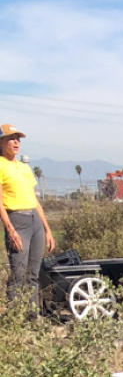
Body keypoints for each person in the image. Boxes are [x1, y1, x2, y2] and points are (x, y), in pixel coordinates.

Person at [0, 124, 55, 311]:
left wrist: (47, 230)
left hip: (35, 221)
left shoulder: (24, 168)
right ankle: (15, 318)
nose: (16, 142)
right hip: (16, 219)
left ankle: (33, 316)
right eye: (11, 138)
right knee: (18, 272)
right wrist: (10, 229)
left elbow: (35, 200)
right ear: (2, 142)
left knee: (33, 273)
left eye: (18, 139)